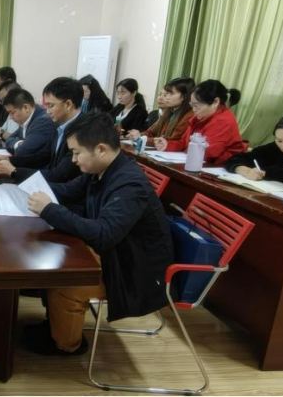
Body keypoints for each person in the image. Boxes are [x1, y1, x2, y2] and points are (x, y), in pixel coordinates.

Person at [24, 112, 174, 355]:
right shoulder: (102, 170)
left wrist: (49, 209)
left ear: (101, 149)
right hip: (116, 253)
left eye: (76, 153)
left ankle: (67, 345)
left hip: (133, 271)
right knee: (52, 253)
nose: (73, 160)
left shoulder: (129, 184)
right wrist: (26, 187)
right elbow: (68, 190)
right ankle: (54, 324)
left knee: (66, 278)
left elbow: (104, 234)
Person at [0, 77, 85, 183]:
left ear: (68, 104)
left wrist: (14, 171)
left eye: (51, 106)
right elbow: (43, 156)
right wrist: (10, 160)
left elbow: (59, 175)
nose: (47, 111)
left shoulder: (82, 131)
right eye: (46, 106)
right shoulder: (60, 124)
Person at [154, 79, 246, 165]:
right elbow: (184, 142)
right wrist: (167, 145)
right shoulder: (199, 117)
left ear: (215, 102)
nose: (193, 110)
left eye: (197, 106)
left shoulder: (224, 121)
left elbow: (208, 153)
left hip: (216, 167)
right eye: (192, 105)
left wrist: (188, 149)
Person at [127, 77, 195, 144]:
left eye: (171, 94)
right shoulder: (169, 110)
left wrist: (141, 139)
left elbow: (172, 141)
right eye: (167, 94)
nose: (167, 97)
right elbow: (151, 132)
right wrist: (138, 135)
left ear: (184, 96)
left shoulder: (189, 115)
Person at [1, 88, 56, 160]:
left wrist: (20, 145)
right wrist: (19, 143)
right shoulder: (26, 119)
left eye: (12, 113)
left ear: (26, 108)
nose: (11, 117)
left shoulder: (43, 121)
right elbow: (9, 139)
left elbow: (22, 152)